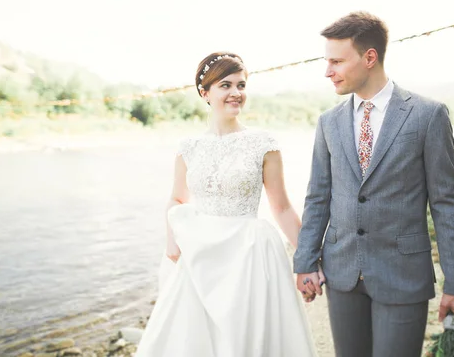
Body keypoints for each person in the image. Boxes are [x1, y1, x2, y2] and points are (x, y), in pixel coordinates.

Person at [293, 12, 454, 357]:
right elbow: (318, 197)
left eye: (336, 61)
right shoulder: (329, 122)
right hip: (342, 274)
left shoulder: (427, 115)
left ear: (369, 57)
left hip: (402, 275)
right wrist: (305, 260)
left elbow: (447, 204)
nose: (327, 71)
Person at [135, 52, 320, 357]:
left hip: (249, 257)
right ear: (205, 93)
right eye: (226, 85)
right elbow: (177, 198)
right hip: (200, 257)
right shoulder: (188, 148)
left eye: (241, 85)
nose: (236, 93)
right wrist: (172, 241)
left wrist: (308, 260)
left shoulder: (263, 143)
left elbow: (282, 208)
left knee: (246, 340)